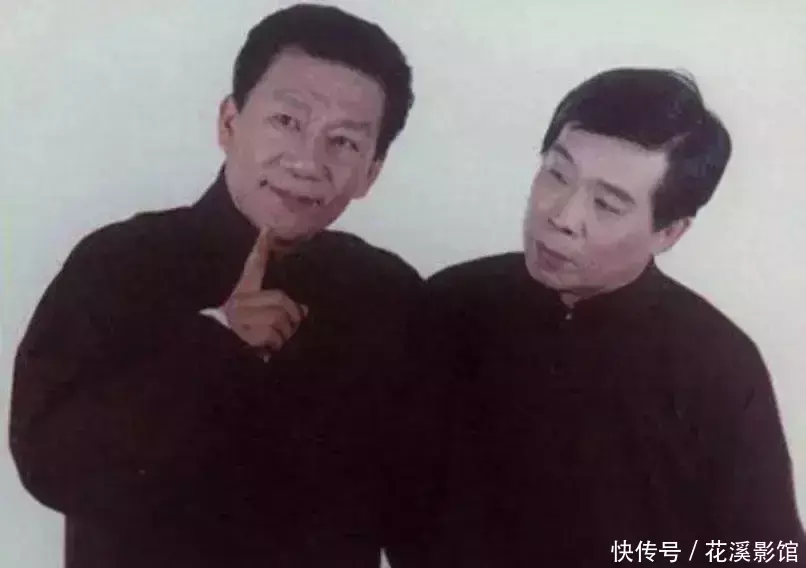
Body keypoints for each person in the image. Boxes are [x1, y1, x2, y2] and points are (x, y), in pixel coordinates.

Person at [9, 4, 427, 567]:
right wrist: (214, 342)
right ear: (229, 124)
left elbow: (421, 507)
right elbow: (48, 466)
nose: (307, 162)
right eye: (287, 121)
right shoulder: (121, 261)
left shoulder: (389, 294)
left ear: (371, 173)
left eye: (345, 142)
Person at [421, 68, 805, 566]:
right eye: (557, 175)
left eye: (606, 204)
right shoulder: (452, 302)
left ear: (669, 232)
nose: (562, 217)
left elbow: (769, 552)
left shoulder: (717, 364)